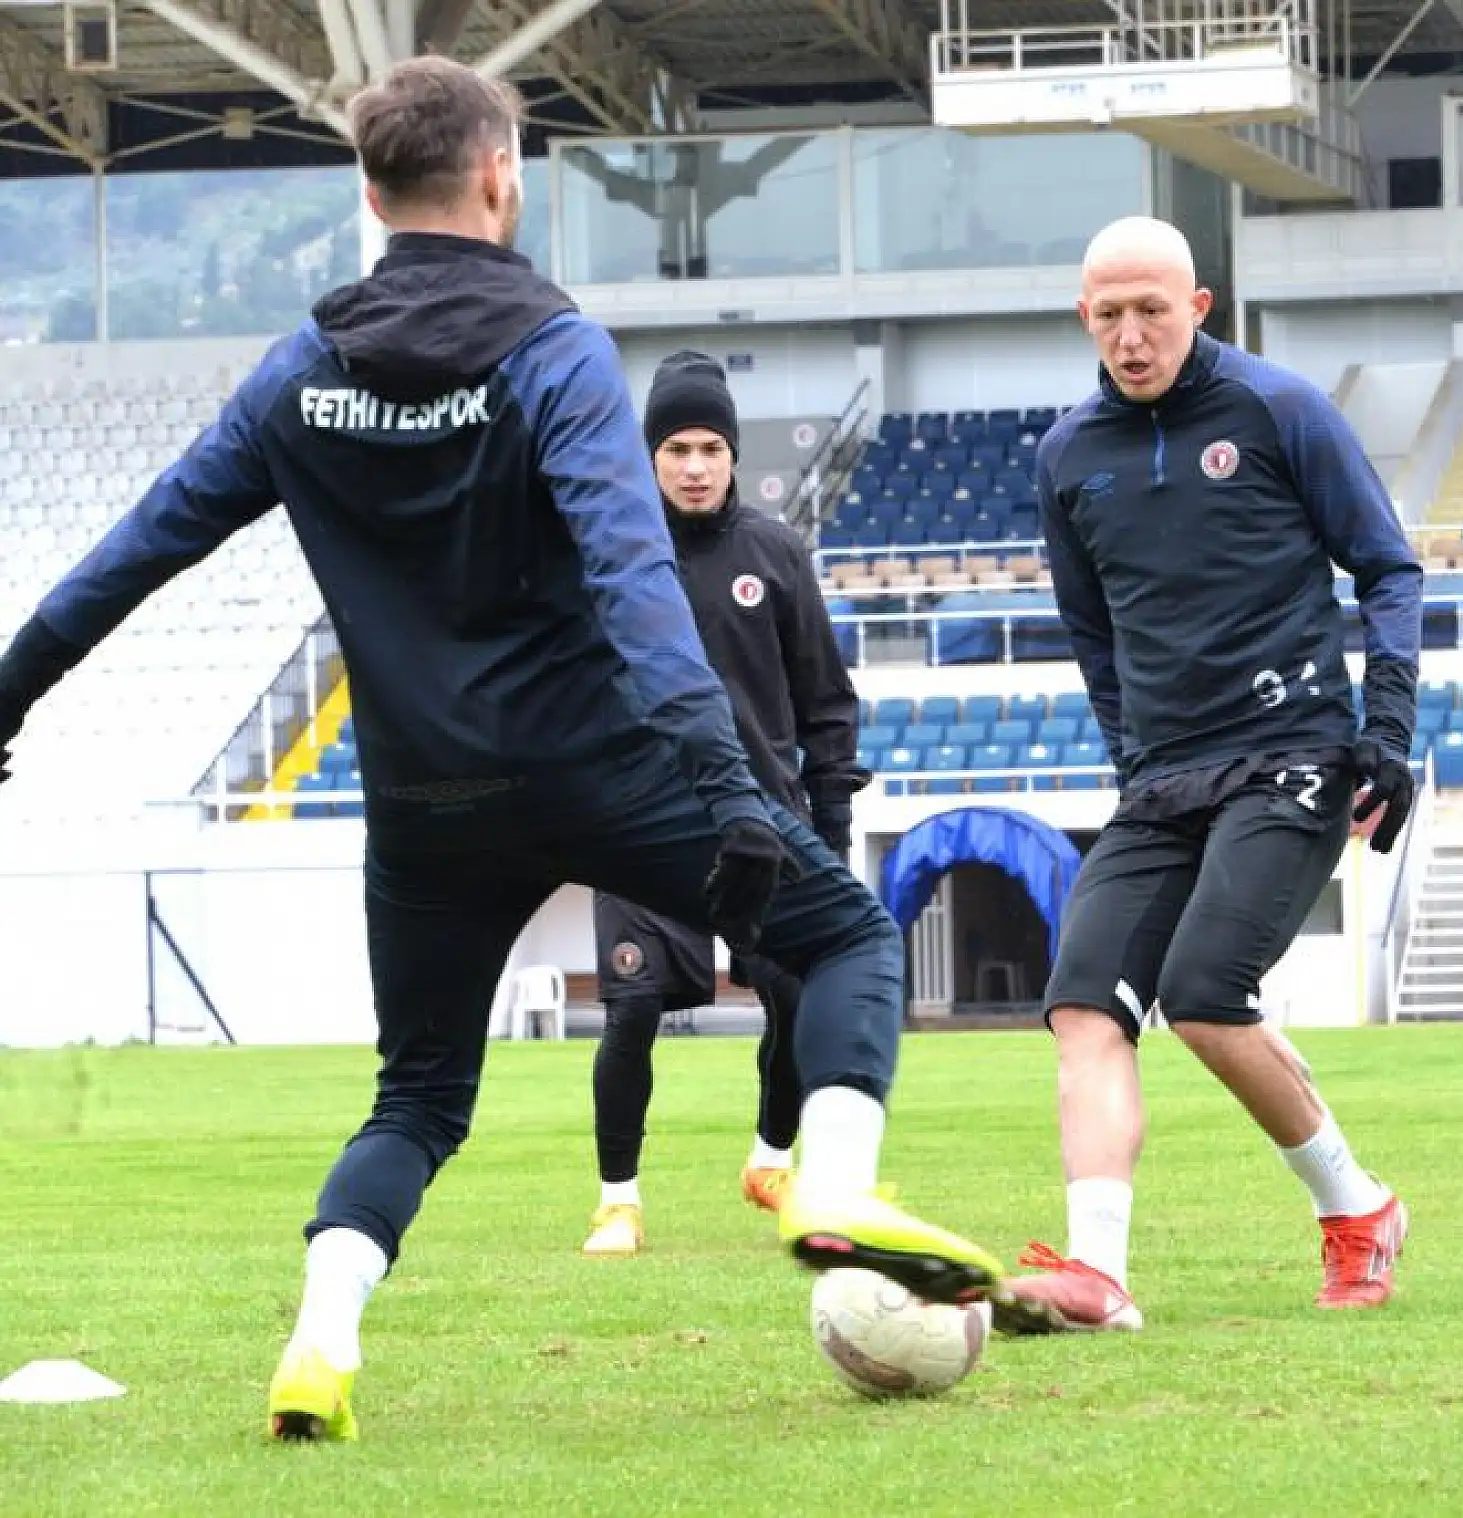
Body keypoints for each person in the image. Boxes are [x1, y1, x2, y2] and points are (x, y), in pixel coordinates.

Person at [0, 56, 1008, 1443]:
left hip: (424, 798)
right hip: (602, 772)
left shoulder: (299, 372)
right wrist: (723, 778)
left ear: (368, 192)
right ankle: (826, 1177)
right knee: (846, 942)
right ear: (500, 179)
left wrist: (9, 695)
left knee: (415, 1095)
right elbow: (634, 574)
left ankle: (317, 1345)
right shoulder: (552, 348)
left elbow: (137, 553)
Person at [990, 216, 1422, 1337]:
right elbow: (1090, 633)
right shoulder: (1063, 455)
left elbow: (1385, 566)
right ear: (1081, 317)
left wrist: (1387, 727)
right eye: (1107, 315)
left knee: (1203, 999)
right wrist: (1130, 752)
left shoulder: (1278, 410)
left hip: (1293, 753)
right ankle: (1096, 1276)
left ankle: (1356, 1209)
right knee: (1081, 1007)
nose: (1130, 337)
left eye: (1151, 311)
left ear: (1199, 307)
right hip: (1162, 776)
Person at [583, 349, 866, 1257]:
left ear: (733, 454)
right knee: (629, 1009)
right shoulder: (612, 554)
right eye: (676, 449)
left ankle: (771, 1161)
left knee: (791, 997)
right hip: (639, 823)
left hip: (763, 821)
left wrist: (830, 828)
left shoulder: (777, 555)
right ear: (651, 458)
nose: (695, 465)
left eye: (710, 446)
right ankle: (618, 1200)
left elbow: (825, 702)